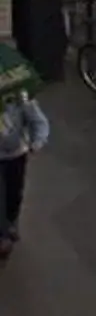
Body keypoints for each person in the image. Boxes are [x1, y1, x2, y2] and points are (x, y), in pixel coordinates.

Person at [0, 59, 50, 257]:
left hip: (15, 155)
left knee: (14, 193)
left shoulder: (21, 98)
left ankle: (11, 222)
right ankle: (2, 234)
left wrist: (37, 142)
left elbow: (39, 121)